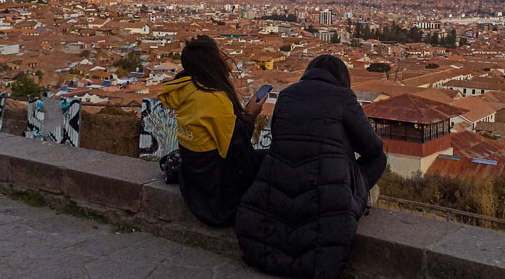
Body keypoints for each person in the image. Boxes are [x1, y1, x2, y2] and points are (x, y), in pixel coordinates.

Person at [236, 54, 387, 279]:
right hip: (328, 189)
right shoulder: (344, 97)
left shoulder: (286, 95)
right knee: (380, 159)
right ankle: (357, 194)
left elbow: (279, 138)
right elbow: (373, 148)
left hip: (282, 178)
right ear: (342, 78)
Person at [158, 35, 264, 227]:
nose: (225, 56)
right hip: (218, 190)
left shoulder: (187, 89)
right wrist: (251, 115)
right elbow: (234, 149)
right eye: (219, 52)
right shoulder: (214, 99)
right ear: (210, 61)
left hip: (196, 178)